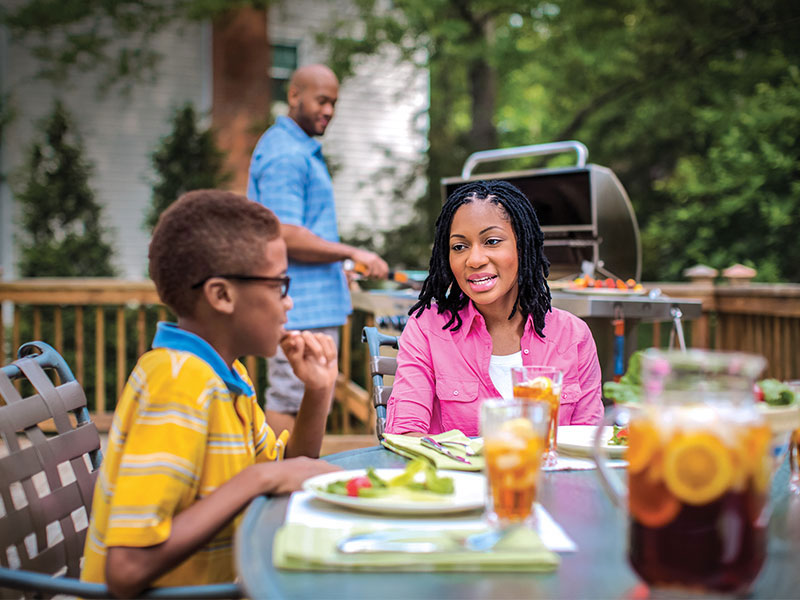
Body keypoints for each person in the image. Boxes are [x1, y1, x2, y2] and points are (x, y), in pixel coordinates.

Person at [81, 190, 341, 597]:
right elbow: (126, 569)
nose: (289, 303)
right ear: (221, 295)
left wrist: (318, 390)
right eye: (279, 285)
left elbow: (289, 469)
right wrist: (259, 478)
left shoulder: (227, 377)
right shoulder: (178, 384)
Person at [384, 180, 603, 437]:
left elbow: (588, 441)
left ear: (523, 246)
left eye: (492, 241)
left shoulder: (573, 335)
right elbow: (406, 435)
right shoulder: (427, 329)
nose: (475, 259)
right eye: (459, 247)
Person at [248, 63, 388, 435]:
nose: (328, 111)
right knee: (289, 399)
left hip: (312, 302)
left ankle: (298, 478)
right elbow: (286, 234)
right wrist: (352, 253)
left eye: (334, 103)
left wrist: (335, 267)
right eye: (321, 100)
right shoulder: (286, 155)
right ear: (294, 96)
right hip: (299, 308)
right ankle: (281, 487)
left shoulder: (299, 150)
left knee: (310, 398)